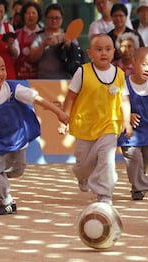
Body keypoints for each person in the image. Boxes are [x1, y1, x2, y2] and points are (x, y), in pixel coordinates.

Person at [0, 53, 69, 215]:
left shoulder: (13, 89)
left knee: (18, 170)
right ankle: (6, 200)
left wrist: (59, 113)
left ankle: (0, 180)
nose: (1, 73)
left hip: (17, 141)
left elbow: (38, 99)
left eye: (3, 68)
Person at [60, 34, 133, 204]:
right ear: (90, 53)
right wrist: (63, 120)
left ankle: (104, 195)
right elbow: (70, 97)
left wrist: (126, 121)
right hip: (84, 126)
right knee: (83, 165)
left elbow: (124, 100)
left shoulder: (120, 74)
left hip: (109, 125)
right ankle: (82, 176)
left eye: (108, 49)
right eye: (99, 50)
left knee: (107, 160)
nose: (103, 53)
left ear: (114, 52)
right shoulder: (82, 72)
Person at [117, 47, 148, 200]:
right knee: (134, 159)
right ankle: (140, 187)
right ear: (133, 63)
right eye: (144, 64)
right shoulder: (124, 83)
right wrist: (127, 116)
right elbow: (119, 103)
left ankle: (138, 179)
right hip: (130, 133)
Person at [29, 3, 78, 79]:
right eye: (51, 18)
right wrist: (44, 44)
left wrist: (69, 46)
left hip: (65, 79)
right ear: (46, 19)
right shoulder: (39, 36)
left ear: (62, 18)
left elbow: (77, 57)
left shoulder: (69, 35)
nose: (54, 20)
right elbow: (32, 58)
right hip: (44, 79)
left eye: (57, 18)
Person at [14, 1, 43, 80]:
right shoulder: (17, 34)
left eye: (33, 13)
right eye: (27, 13)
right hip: (20, 76)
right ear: (23, 16)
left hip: (39, 78)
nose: (31, 16)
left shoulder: (43, 34)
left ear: (38, 15)